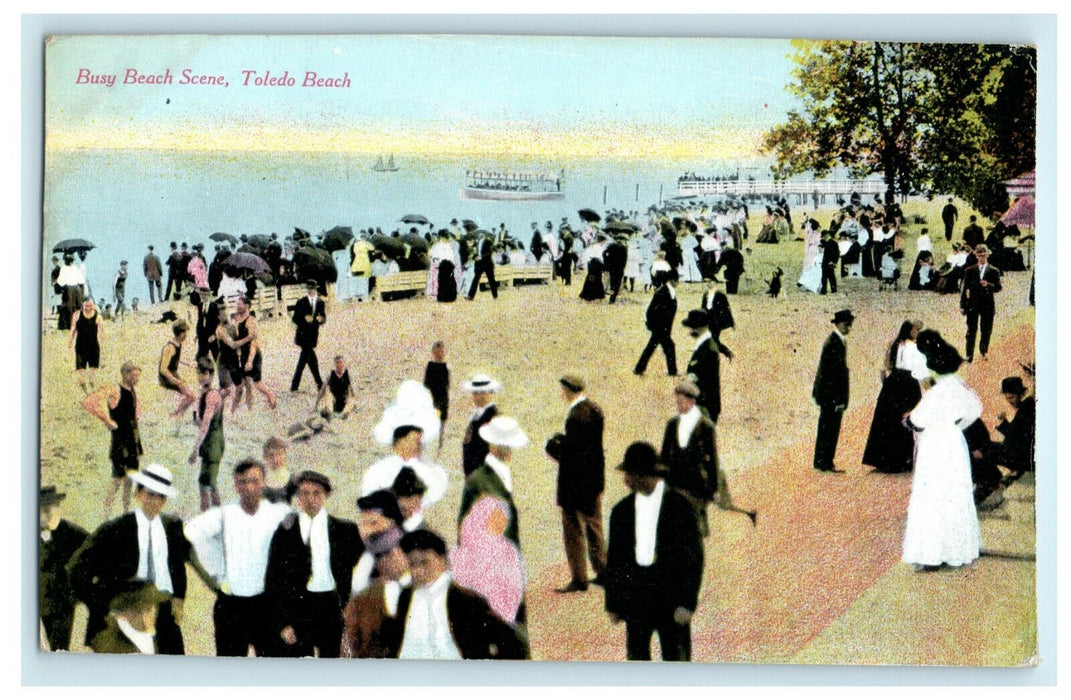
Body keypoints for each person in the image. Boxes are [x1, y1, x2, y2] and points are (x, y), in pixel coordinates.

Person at [68, 464, 191, 654]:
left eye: (161, 497)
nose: (155, 502)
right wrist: (100, 605)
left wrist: (178, 597)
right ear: (138, 494)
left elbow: (177, 565)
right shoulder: (114, 530)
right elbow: (77, 568)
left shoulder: (172, 527)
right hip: (120, 617)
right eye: (150, 494)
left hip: (161, 614)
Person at [604, 441, 703, 661]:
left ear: (641, 474)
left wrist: (688, 603)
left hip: (672, 602)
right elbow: (615, 560)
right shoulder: (621, 512)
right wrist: (613, 603)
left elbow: (694, 558)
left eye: (628, 473)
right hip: (637, 601)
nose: (625, 480)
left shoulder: (680, 507)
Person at [184, 459, 292, 657]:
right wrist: (216, 572)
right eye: (242, 482)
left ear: (263, 482)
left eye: (254, 481)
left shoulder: (279, 513)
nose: (248, 487)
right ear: (235, 484)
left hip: (266, 606)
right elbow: (192, 532)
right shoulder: (225, 514)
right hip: (231, 606)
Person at [902, 332, 983, 571]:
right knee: (955, 493)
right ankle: (957, 549)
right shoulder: (960, 386)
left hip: (934, 445)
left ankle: (932, 553)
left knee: (932, 496)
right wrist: (957, 427)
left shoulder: (935, 393)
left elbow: (917, 420)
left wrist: (908, 421)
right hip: (954, 443)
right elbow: (976, 409)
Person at [264, 471, 364, 658]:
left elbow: (363, 564)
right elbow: (273, 579)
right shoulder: (285, 532)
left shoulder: (345, 530)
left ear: (325, 495)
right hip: (298, 608)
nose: (310, 499)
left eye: (316, 493)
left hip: (331, 606)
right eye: (304, 493)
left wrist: (350, 608)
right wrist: (283, 622)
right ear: (297, 498)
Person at [390, 529, 526, 659]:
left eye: (424, 562)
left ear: (442, 560)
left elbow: (510, 640)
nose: (418, 571)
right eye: (413, 564)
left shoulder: (465, 598)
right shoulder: (406, 596)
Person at [544, 375, 607, 593]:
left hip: (574, 484)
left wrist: (554, 447)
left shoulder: (575, 417)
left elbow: (572, 455)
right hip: (593, 481)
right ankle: (603, 571)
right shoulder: (594, 410)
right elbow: (595, 451)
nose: (562, 393)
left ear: (570, 390)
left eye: (563, 390)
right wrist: (600, 483)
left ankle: (579, 579)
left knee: (573, 532)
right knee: (594, 527)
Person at [862, 321, 930, 474]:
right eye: (915, 330)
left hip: (892, 383)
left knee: (887, 421)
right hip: (907, 384)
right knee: (905, 420)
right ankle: (900, 460)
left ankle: (882, 459)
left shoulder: (895, 344)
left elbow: (885, 367)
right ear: (910, 330)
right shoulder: (913, 347)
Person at [450, 496, 526, 627]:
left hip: (499, 619)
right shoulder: (458, 554)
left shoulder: (508, 551)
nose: (499, 524)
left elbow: (516, 586)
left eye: (503, 520)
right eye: (494, 518)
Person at [659, 381, 719, 536]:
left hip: (697, 485)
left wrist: (713, 489)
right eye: (677, 401)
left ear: (692, 402)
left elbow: (713, 459)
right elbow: (664, 455)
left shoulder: (706, 426)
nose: (678, 405)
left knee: (694, 529)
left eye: (681, 401)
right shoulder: (672, 424)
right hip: (675, 483)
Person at [83, 361, 144, 513]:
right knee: (116, 480)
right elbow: (89, 401)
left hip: (132, 441)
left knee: (130, 480)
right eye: (134, 375)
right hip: (120, 441)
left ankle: (125, 512)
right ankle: (105, 513)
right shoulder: (115, 389)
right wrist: (107, 420)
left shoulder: (132, 390)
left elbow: (134, 416)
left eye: (138, 376)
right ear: (125, 374)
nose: (137, 379)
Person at [340, 526, 409, 658]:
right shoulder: (362, 600)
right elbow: (347, 648)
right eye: (401, 552)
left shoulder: (418, 589)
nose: (406, 558)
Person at [39, 486, 89, 652]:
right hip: (38, 602)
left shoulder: (69, 531)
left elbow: (94, 547)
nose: (51, 514)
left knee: (59, 649)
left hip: (63, 603)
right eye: (44, 510)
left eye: (54, 509)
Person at [812, 309, 854, 473]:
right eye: (846, 324)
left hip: (826, 393)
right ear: (837, 324)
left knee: (826, 427)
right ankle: (825, 462)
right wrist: (838, 399)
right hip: (831, 394)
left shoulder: (835, 340)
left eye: (850, 324)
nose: (848, 328)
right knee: (830, 428)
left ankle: (822, 461)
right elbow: (833, 374)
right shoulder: (835, 342)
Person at [88, 580, 170, 654]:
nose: (154, 614)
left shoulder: (151, 637)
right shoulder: (111, 646)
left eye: (155, 607)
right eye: (148, 609)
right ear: (127, 614)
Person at [681, 309, 732, 424]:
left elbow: (703, 377)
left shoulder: (708, 348)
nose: (688, 331)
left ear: (698, 327)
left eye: (690, 327)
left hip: (705, 406)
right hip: (702, 404)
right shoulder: (704, 344)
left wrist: (689, 379)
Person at [189, 357, 225, 511]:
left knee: (205, 485)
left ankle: (208, 519)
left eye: (204, 374)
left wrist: (195, 449)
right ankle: (220, 518)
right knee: (211, 484)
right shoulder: (205, 393)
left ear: (211, 375)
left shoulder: (211, 395)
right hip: (211, 442)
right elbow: (201, 421)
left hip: (213, 444)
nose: (201, 377)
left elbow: (205, 424)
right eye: (199, 374)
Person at [233, 296, 277, 410]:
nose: (237, 306)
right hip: (243, 354)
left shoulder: (251, 320)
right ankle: (249, 409)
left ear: (246, 306)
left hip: (253, 355)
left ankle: (270, 395)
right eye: (237, 304)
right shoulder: (237, 319)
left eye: (239, 304)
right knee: (246, 384)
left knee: (257, 383)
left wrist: (250, 361)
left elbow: (253, 342)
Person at [960, 244, 1002, 363]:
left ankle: (984, 351)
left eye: (984, 255)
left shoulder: (994, 271)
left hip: (987, 304)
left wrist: (988, 285)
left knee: (986, 329)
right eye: (979, 256)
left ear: (988, 255)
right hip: (973, 303)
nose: (982, 258)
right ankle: (969, 354)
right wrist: (962, 305)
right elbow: (964, 289)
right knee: (971, 330)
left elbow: (998, 287)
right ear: (976, 256)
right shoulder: (969, 270)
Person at [633, 269, 678, 377]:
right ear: (672, 280)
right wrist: (652, 325)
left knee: (654, 347)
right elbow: (651, 311)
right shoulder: (662, 292)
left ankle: (639, 368)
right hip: (660, 327)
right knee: (667, 347)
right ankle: (672, 371)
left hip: (663, 327)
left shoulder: (669, 291)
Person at [990, 376, 1036, 482]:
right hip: (1026, 454)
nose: (1009, 401)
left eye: (1011, 398)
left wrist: (1002, 423)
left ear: (1019, 394)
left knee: (987, 449)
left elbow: (1015, 437)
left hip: (1027, 459)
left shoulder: (1027, 408)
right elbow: (1016, 432)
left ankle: (993, 482)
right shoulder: (1027, 405)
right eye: (1007, 398)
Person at [461, 373, 501, 478]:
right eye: (475, 393)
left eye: (479, 393)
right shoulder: (479, 415)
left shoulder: (492, 417)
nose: (475, 396)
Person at [290, 280, 326, 392]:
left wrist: (321, 319)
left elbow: (323, 317)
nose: (311, 291)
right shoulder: (301, 302)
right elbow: (294, 319)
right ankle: (319, 383)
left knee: (304, 360)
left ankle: (294, 385)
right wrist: (304, 320)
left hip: (313, 335)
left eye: (312, 289)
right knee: (311, 359)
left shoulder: (320, 302)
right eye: (309, 289)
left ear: (316, 289)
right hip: (303, 335)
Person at [158, 320, 198, 419]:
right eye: (184, 333)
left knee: (189, 395)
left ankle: (177, 414)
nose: (186, 336)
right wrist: (176, 381)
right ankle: (176, 414)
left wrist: (189, 363)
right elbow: (162, 369)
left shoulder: (178, 343)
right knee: (191, 395)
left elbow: (176, 358)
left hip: (173, 374)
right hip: (167, 377)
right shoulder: (170, 347)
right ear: (179, 333)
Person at [69, 298, 103, 395]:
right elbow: (72, 330)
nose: (88, 307)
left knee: (93, 377)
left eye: (90, 305)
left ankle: (93, 394)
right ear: (83, 306)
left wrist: (103, 349)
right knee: (81, 375)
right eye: (86, 305)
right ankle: (86, 394)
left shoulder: (98, 317)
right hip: (80, 347)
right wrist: (69, 344)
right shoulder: (77, 315)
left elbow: (102, 334)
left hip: (94, 347)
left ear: (93, 305)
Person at [422, 342, 449, 453]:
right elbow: (426, 384)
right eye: (437, 351)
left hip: (441, 400)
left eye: (441, 351)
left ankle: (439, 446)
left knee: (441, 423)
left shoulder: (445, 367)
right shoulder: (430, 366)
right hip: (432, 399)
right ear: (433, 352)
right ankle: (429, 445)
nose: (439, 354)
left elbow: (446, 385)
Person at [56, 253, 85, 331]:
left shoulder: (64, 268)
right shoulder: (75, 268)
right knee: (75, 307)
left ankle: (71, 325)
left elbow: (60, 282)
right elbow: (81, 281)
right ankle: (75, 324)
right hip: (75, 289)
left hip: (70, 289)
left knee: (70, 307)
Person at [467, 235, 499, 300]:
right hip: (479, 264)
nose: (479, 235)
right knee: (475, 279)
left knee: (491, 280)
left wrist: (480, 257)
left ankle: (495, 295)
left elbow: (489, 253)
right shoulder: (477, 242)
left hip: (487, 263)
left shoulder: (488, 241)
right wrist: (474, 257)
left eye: (481, 234)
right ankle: (470, 296)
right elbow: (476, 252)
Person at [819, 230, 840, 295]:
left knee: (827, 276)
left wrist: (834, 262)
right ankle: (832, 288)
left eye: (823, 236)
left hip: (828, 261)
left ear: (826, 235)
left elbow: (836, 253)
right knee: (829, 276)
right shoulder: (832, 242)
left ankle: (825, 290)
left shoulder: (831, 242)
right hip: (828, 261)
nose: (823, 238)